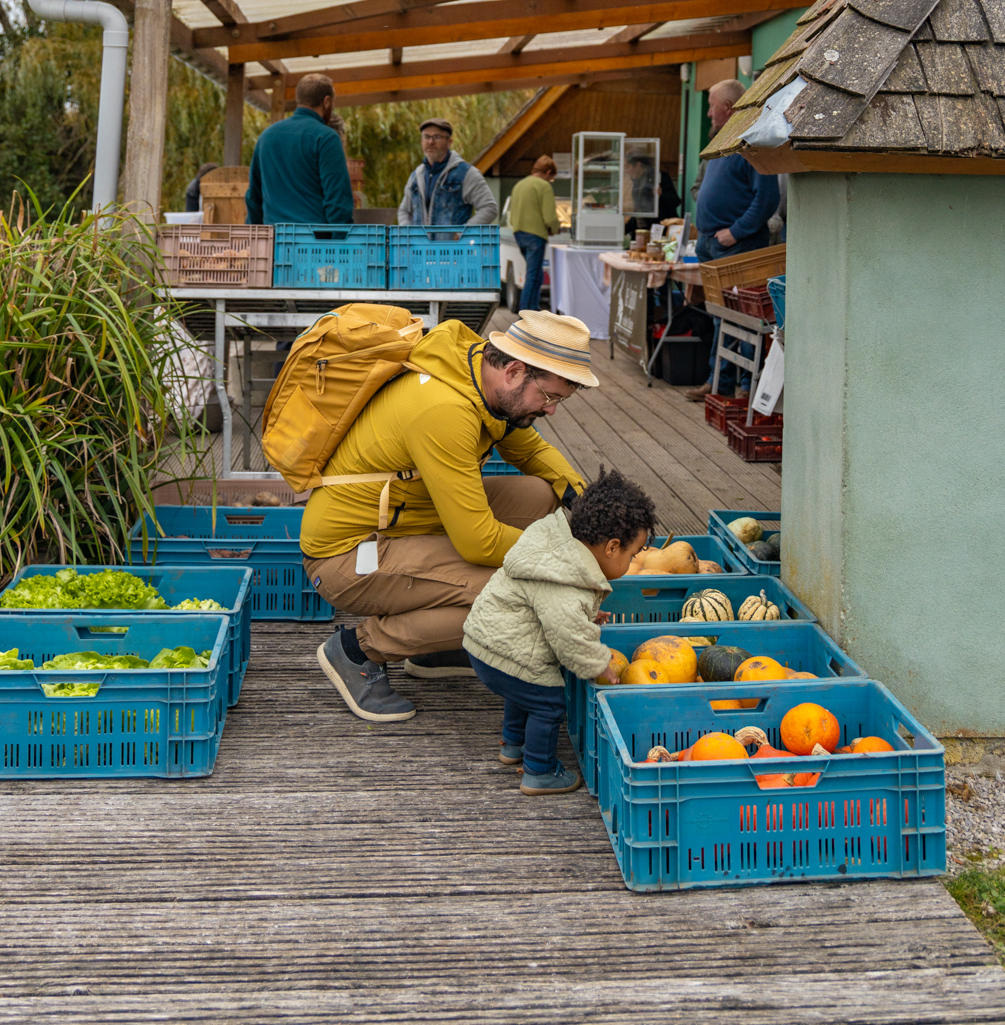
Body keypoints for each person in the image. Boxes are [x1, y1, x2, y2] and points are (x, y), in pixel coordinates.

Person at [305, 311, 597, 723]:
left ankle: (433, 646)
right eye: (550, 398)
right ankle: (359, 650)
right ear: (514, 371)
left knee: (538, 494)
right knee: (508, 593)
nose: (551, 411)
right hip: (349, 555)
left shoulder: (476, 373)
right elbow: (478, 542)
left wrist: (588, 505)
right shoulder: (445, 409)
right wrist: (571, 558)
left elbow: (529, 451)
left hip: (406, 523)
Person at [463, 467, 656, 795]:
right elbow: (570, 637)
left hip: (487, 643)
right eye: (633, 553)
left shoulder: (558, 549)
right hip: (504, 650)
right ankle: (539, 770)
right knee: (549, 700)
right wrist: (600, 662)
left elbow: (555, 610)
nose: (633, 559)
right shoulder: (567, 582)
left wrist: (587, 614)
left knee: (522, 688)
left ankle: (513, 744)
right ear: (611, 548)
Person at [686, 79, 780, 402]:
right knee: (719, 316)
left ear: (727, 109)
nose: (709, 112)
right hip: (711, 244)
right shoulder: (721, 143)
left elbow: (767, 198)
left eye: (712, 106)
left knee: (743, 319)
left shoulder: (748, 143)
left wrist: (737, 231)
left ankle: (743, 386)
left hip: (736, 245)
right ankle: (718, 384)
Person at [245, 72, 354, 226]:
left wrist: (257, 240)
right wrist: (340, 243)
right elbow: (337, 200)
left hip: (275, 241)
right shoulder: (326, 138)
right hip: (314, 242)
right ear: (327, 101)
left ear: (299, 99)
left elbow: (254, 197)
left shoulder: (266, 137)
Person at [397, 118, 497, 227]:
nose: (430, 142)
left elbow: (489, 208)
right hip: (420, 244)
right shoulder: (416, 176)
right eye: (426, 137)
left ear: (449, 142)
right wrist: (407, 233)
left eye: (437, 137)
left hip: (453, 244)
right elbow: (404, 211)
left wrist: (461, 234)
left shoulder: (466, 174)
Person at [508, 156, 560, 314]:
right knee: (533, 273)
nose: (550, 181)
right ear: (548, 172)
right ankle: (526, 312)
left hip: (519, 233)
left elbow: (512, 214)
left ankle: (533, 309)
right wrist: (555, 228)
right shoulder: (543, 186)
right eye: (551, 178)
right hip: (535, 234)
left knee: (536, 273)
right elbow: (549, 216)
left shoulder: (520, 184)